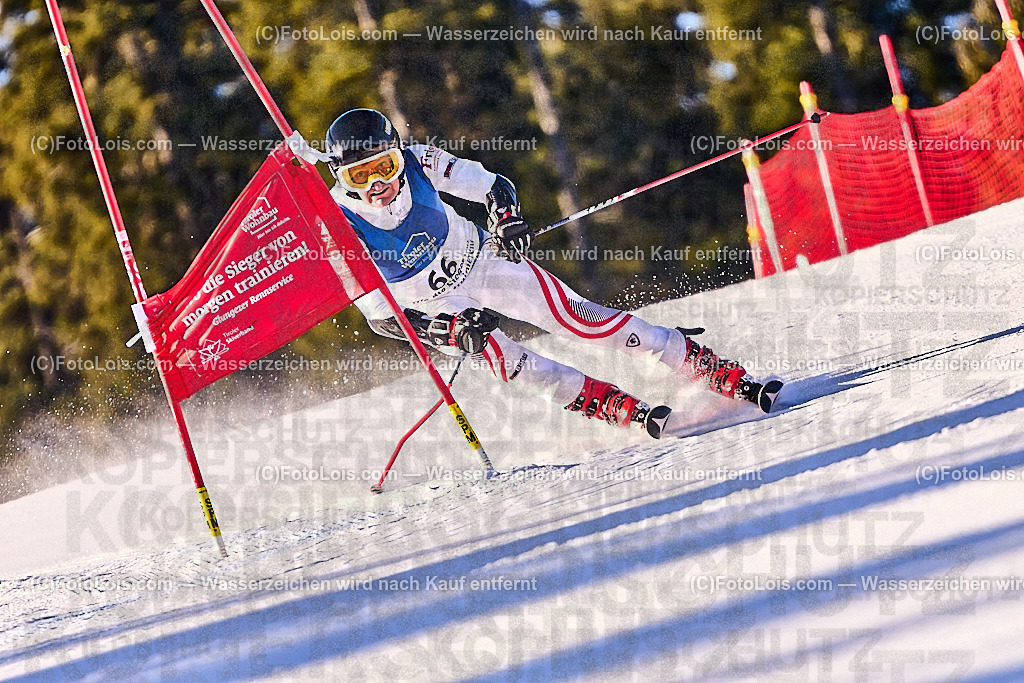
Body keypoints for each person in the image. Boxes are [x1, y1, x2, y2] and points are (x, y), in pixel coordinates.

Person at [325, 109, 781, 439]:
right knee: (512, 364)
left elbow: (491, 185)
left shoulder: (420, 162)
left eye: (384, 168)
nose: (376, 185)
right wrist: (445, 329)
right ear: (341, 179)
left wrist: (505, 217)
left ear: (399, 157)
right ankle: (608, 403)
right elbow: (381, 316)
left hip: (481, 260)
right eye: (359, 176)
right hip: (434, 307)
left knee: (581, 320)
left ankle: (703, 364)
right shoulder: (338, 224)